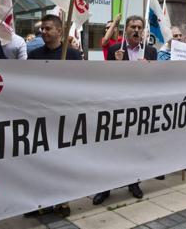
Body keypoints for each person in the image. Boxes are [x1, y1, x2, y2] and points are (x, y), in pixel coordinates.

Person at [93, 15, 156, 205]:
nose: (136, 30)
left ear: (143, 30)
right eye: (132, 27)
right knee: (111, 148)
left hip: (139, 108)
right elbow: (107, 80)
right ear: (126, 29)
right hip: (117, 107)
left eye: (139, 27)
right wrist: (117, 65)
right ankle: (105, 187)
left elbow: (157, 81)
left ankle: (133, 182)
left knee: (134, 148)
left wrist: (149, 69)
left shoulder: (151, 52)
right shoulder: (115, 50)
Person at [26, 14, 80, 217]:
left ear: (59, 31)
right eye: (42, 29)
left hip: (64, 116)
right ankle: (40, 202)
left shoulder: (73, 56)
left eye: (48, 29)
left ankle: (62, 200)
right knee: (40, 160)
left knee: (62, 160)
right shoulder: (34, 55)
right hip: (40, 114)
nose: (44, 32)